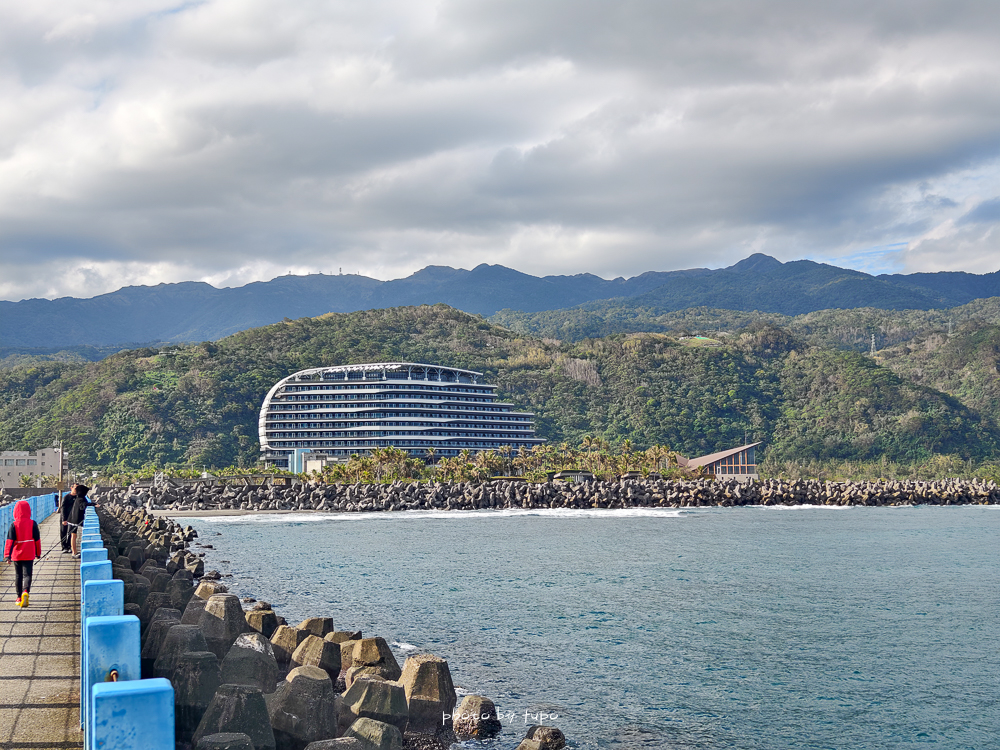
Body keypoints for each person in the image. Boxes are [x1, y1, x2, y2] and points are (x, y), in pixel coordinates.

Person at [4, 500, 42, 608]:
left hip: (17, 554)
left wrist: (7, 555)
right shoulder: (32, 523)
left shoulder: (14, 525)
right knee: (27, 575)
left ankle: (18, 597)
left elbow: (9, 541)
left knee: (18, 575)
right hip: (29, 553)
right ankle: (26, 591)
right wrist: (38, 553)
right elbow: (37, 540)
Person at [65, 484, 97, 558]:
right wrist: (93, 504)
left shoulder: (79, 498)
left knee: (74, 535)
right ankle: (74, 552)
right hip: (74, 520)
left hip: (73, 519)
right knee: (73, 535)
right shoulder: (80, 498)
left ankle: (74, 551)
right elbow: (82, 506)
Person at [58, 484, 77, 553]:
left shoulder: (78, 497)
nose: (76, 490)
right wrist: (64, 519)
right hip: (65, 517)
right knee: (64, 532)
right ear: (71, 488)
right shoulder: (66, 497)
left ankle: (69, 546)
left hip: (73, 518)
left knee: (71, 533)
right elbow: (63, 509)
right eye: (75, 488)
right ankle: (64, 547)